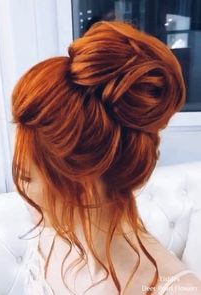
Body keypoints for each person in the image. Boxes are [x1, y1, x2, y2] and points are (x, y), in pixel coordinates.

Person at [11, 21, 201, 295]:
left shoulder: (176, 290)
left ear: (83, 183)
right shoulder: (48, 237)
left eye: (27, 177)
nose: (22, 193)